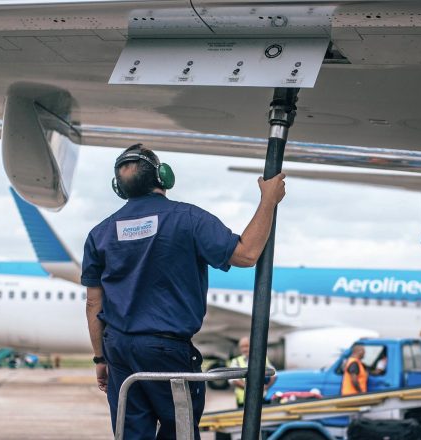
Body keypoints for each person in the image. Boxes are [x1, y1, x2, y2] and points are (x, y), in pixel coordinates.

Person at [82, 144, 286, 440]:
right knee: (180, 432)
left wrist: (100, 359)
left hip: (119, 352)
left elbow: (93, 303)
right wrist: (269, 201)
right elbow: (247, 254)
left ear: (119, 188)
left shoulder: (99, 233)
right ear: (163, 176)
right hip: (167, 351)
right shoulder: (188, 219)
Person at [229, 336, 277, 408]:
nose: (244, 349)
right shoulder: (236, 361)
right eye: (242, 347)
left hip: (261, 398)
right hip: (243, 401)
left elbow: (274, 374)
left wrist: (266, 387)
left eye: (247, 346)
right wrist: (252, 389)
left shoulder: (263, 359)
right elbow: (233, 380)